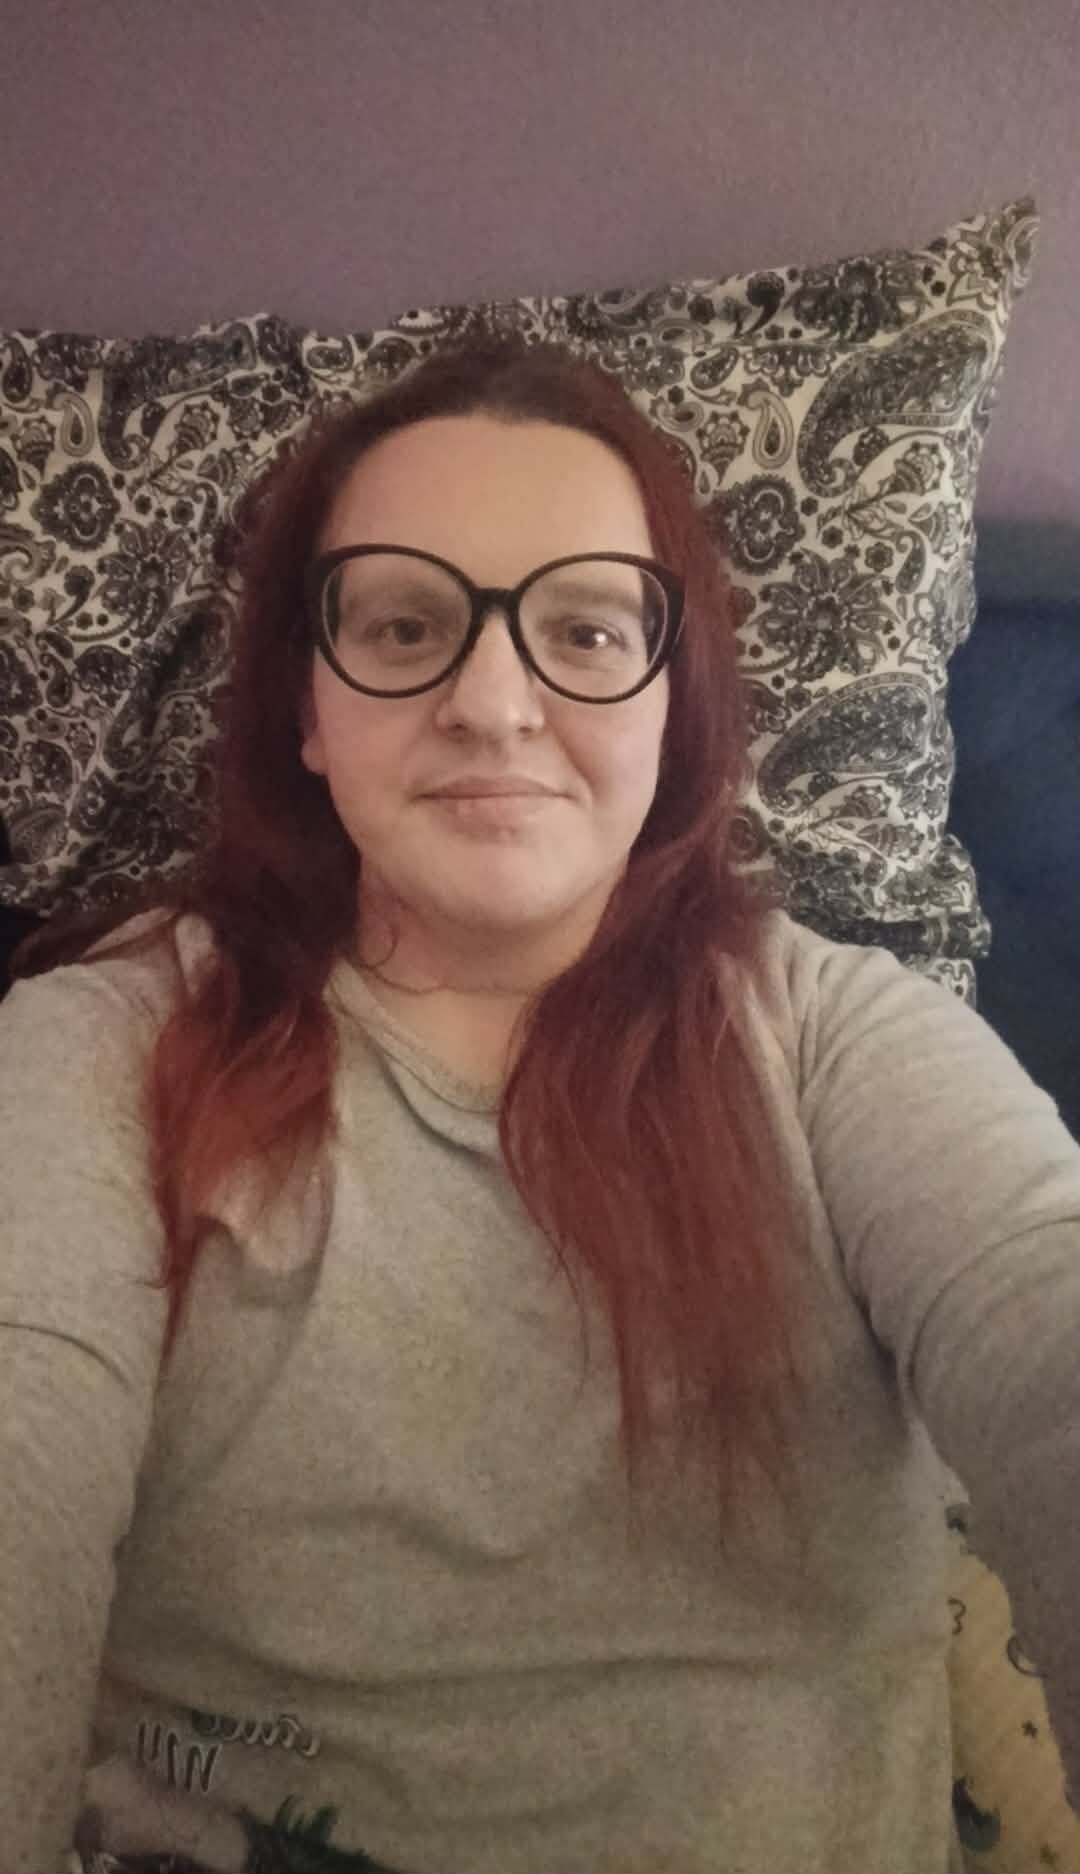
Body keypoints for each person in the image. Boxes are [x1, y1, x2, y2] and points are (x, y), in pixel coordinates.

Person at [1, 336, 1077, 1874]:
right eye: (403, 625)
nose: (493, 702)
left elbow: (1046, 1314)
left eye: (582, 629)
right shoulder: (103, 1046)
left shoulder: (838, 1042)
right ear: (307, 709)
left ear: (670, 705)